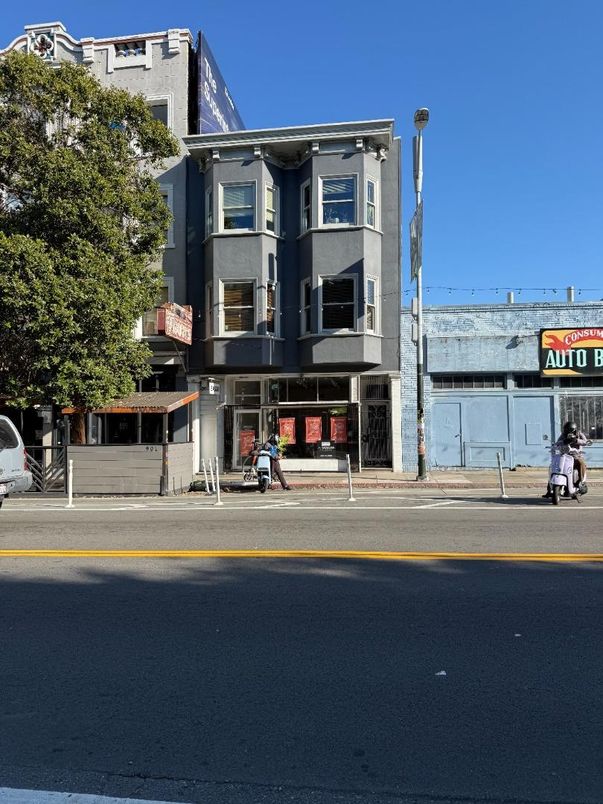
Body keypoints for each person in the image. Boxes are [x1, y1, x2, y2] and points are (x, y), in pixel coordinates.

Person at [543, 420, 588, 497]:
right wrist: (563, 442)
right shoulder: (563, 435)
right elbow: (557, 443)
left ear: (573, 430)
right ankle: (549, 489)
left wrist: (576, 440)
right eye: (566, 430)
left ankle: (581, 482)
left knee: (581, 463)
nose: (567, 432)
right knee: (553, 466)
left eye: (569, 430)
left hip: (576, 455)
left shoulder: (579, 433)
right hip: (565, 455)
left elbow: (585, 442)